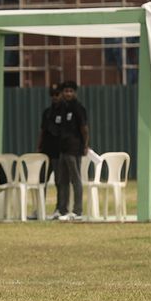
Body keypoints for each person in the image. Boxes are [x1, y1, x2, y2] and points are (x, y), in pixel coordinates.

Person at [38, 80, 90, 221]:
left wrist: (85, 145)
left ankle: (77, 211)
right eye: (65, 91)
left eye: (70, 91)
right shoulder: (62, 109)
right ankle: (62, 210)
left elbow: (84, 129)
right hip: (62, 149)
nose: (67, 94)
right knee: (63, 180)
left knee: (76, 179)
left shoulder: (78, 108)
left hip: (74, 148)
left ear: (75, 92)